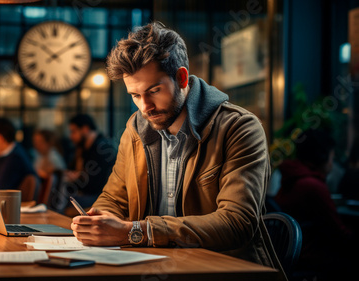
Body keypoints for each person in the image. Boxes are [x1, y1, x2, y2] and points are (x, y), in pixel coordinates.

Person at [70, 22, 284, 277]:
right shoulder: (135, 129)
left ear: (182, 78)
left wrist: (137, 231)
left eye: (154, 91)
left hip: (221, 270)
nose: (145, 107)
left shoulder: (239, 128)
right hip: (152, 266)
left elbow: (236, 223)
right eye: (135, 95)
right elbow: (115, 197)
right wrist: (99, 221)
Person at [275, 129, 356, 279]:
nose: (332, 164)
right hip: (310, 256)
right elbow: (339, 234)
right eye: (332, 157)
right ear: (322, 157)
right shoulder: (312, 186)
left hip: (292, 253)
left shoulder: (292, 178)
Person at [62, 114, 116, 209]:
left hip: (101, 197)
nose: (71, 136)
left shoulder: (103, 148)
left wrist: (77, 176)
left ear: (85, 129)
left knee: (62, 198)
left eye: (73, 132)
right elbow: (72, 169)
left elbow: (94, 185)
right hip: (88, 193)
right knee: (61, 193)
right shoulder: (82, 148)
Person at [0, 118, 37, 192]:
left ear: (0, 138)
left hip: (18, 202)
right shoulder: (15, 152)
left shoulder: (15, 158)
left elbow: (0, 187)